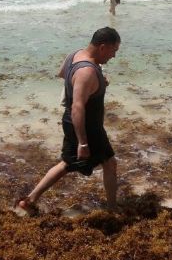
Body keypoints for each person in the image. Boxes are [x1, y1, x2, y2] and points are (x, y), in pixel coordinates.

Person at [17, 27, 121, 213]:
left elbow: (62, 74)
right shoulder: (87, 72)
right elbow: (77, 107)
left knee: (67, 163)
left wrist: (95, 83)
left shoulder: (75, 55)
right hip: (85, 126)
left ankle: (30, 200)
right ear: (103, 47)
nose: (113, 56)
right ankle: (113, 209)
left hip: (73, 122)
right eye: (114, 51)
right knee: (109, 163)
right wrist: (83, 143)